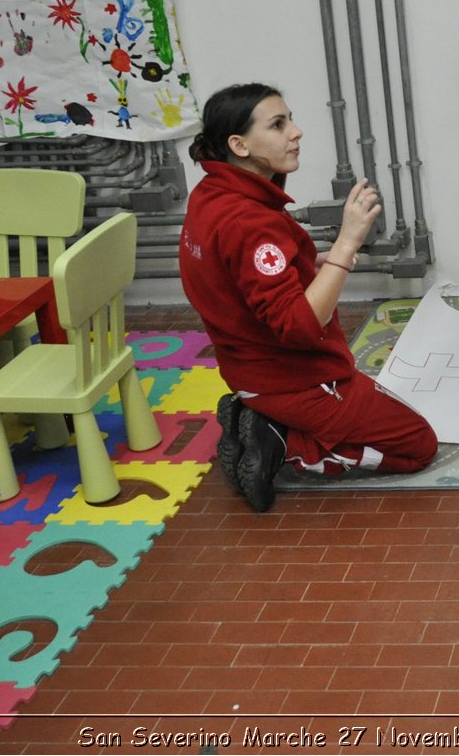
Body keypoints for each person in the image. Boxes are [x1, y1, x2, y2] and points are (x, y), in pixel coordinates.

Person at [180, 83, 438, 512]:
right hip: (294, 379)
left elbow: (230, 280)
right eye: (278, 125)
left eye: (290, 120)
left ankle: (260, 416)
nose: (296, 132)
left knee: (385, 410)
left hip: (249, 371)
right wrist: (346, 244)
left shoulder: (210, 194)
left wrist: (302, 266)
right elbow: (299, 326)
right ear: (239, 144)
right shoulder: (251, 221)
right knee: (417, 445)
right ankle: (284, 444)